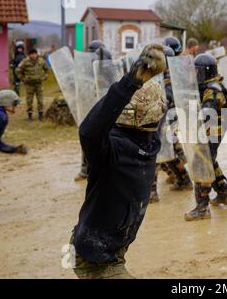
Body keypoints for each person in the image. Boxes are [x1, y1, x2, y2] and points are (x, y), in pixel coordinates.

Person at [70, 44, 167, 279]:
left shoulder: (150, 144)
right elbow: (89, 132)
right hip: (92, 255)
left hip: (112, 250)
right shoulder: (110, 150)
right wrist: (130, 83)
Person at [184, 53, 227, 221]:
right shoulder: (208, 85)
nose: (196, 75)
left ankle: (202, 207)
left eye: (199, 72)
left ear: (207, 71)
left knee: (201, 163)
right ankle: (223, 192)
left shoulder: (212, 90)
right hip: (213, 129)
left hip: (213, 130)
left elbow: (206, 113)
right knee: (210, 161)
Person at [149, 46, 192, 203]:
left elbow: (164, 101)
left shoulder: (168, 79)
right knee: (169, 153)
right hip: (168, 122)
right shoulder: (169, 75)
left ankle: (151, 192)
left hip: (165, 122)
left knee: (152, 154)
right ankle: (184, 180)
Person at [74, 40, 112, 182]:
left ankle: (105, 171)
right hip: (93, 112)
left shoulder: (112, 75)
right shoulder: (88, 74)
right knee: (88, 138)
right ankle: (85, 170)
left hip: (108, 115)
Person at [0, 90, 28, 193]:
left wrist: (13, 149)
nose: (15, 106)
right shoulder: (1, 117)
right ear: (7, 103)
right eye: (14, 103)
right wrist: (14, 149)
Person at [16, 49, 49, 123]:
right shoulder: (25, 61)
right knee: (29, 100)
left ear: (37, 54)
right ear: (29, 55)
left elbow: (47, 70)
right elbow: (18, 70)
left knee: (40, 100)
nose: (34, 55)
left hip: (39, 84)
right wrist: (23, 79)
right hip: (29, 85)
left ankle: (41, 115)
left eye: (35, 53)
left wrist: (44, 77)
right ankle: (29, 116)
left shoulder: (41, 61)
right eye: (32, 54)